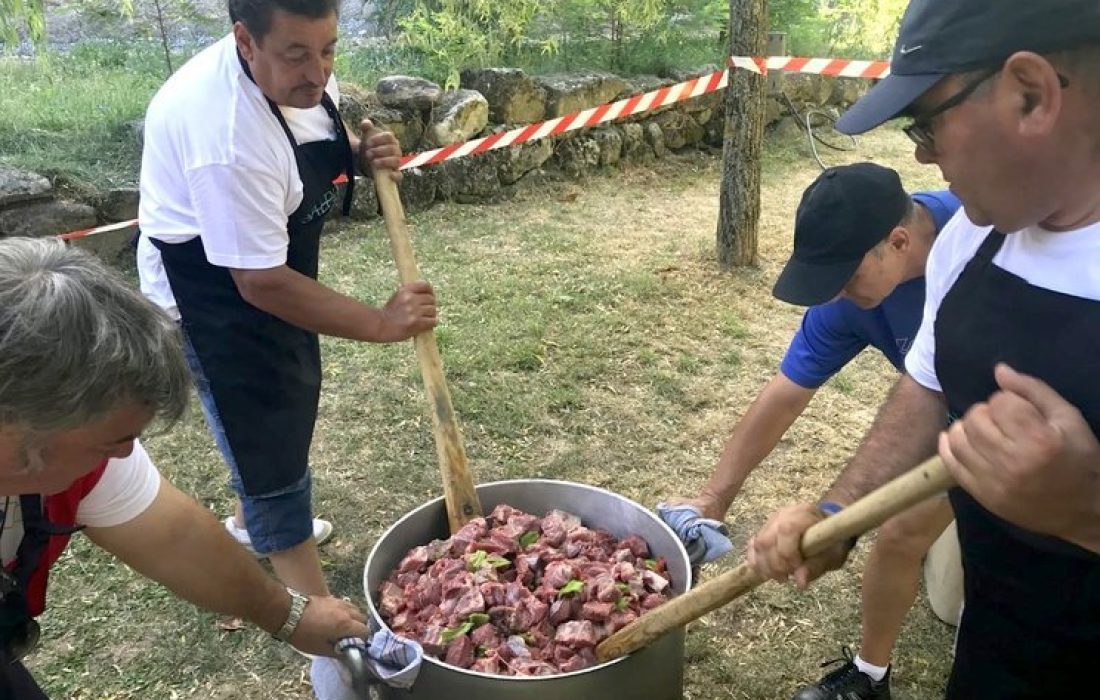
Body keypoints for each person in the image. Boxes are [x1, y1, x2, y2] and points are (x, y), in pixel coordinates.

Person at [747, 0, 1100, 697]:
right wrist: (835, 515)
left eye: (928, 122)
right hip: (999, 648)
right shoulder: (971, 239)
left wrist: (1082, 511)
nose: (922, 154)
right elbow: (927, 389)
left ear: (1030, 95)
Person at [0, 238, 396, 699]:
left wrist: (286, 614)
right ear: (20, 431)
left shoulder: (73, 455)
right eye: (115, 440)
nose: (125, 456)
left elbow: (174, 535)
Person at [136, 0, 437, 603]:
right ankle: (312, 611)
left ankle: (254, 526)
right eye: (297, 54)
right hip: (209, 295)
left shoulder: (287, 78)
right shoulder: (226, 136)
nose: (319, 72)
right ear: (245, 41)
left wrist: (357, 150)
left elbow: (304, 132)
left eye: (328, 49)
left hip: (261, 265)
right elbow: (261, 284)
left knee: (290, 394)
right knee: (264, 428)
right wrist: (380, 323)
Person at [661, 162, 959, 700]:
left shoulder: (981, 240)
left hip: (1033, 411)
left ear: (897, 243)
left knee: (913, 531)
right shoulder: (848, 303)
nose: (836, 294)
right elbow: (785, 394)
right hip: (942, 408)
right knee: (901, 532)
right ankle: (871, 680)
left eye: (846, 276)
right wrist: (714, 498)